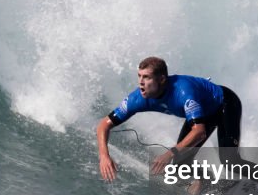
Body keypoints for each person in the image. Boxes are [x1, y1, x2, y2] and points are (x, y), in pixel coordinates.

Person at [96, 56, 241, 183]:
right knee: (180, 166)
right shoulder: (137, 99)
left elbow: (199, 132)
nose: (141, 82)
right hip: (204, 112)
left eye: (146, 77)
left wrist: (169, 154)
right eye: (139, 76)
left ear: (162, 79)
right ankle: (207, 181)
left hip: (224, 104)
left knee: (230, 162)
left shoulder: (183, 92)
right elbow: (104, 125)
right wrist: (104, 156)